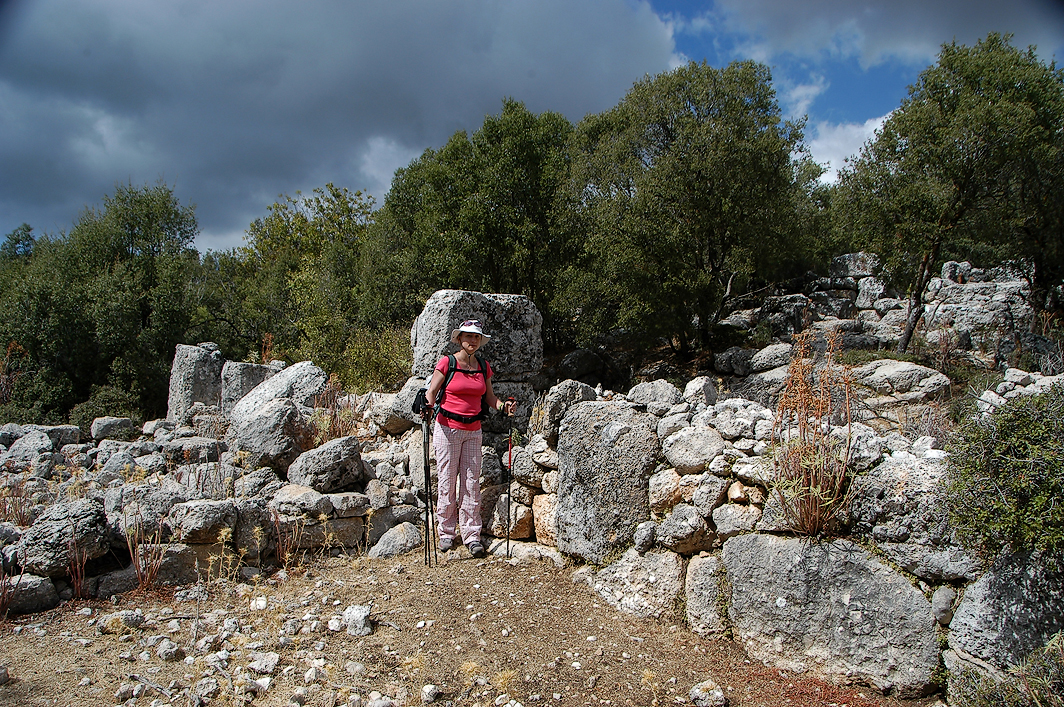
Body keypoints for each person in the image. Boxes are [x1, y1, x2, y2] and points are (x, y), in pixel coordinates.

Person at [422, 319, 516, 557]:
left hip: (474, 430)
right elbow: (432, 392)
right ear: (459, 339)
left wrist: (503, 406)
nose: (472, 340)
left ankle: (471, 535)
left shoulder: (483, 366)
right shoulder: (448, 363)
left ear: (480, 341)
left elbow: (489, 397)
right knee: (447, 480)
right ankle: (446, 533)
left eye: (476, 337)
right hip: (447, 429)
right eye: (468, 336)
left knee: (472, 482)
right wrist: (426, 408)